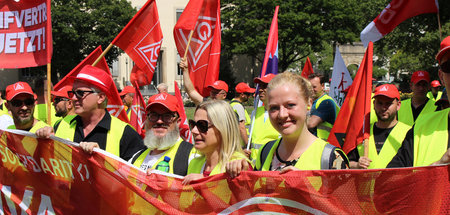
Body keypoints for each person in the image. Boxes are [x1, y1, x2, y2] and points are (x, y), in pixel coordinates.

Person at [227, 72, 348, 177]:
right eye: (274, 108)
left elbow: (346, 203)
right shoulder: (265, 152)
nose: (282, 115)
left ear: (309, 104)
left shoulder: (331, 158)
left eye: (290, 105)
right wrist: (242, 175)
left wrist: (307, 187)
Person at [35, 65, 146, 161]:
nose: (73, 98)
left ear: (101, 97)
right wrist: (43, 143)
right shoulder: (60, 125)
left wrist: (102, 160)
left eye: (80, 93)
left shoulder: (125, 133)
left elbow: (135, 179)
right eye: (72, 93)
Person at [387, 36, 450, 167]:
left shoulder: (434, 106)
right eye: (449, 66)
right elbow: (387, 184)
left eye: (424, 85)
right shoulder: (419, 129)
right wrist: (436, 169)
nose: (421, 88)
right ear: (441, 77)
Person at [182, 100, 251, 184]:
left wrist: (204, 179)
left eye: (202, 125)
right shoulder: (194, 163)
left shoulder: (239, 165)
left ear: (222, 129)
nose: (194, 130)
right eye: (193, 124)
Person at [130, 92, 194, 176]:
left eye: (167, 116)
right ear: (147, 120)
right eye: (153, 115)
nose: (159, 121)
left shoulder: (191, 156)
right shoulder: (136, 157)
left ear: (178, 122)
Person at [348, 84, 410, 169]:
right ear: (373, 104)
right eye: (380, 103)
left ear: (398, 105)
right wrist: (357, 165)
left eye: (388, 103)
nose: (383, 108)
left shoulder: (409, 133)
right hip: (367, 182)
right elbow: (347, 162)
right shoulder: (363, 132)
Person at [248, 73, 280, 159]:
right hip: (254, 166)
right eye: (260, 86)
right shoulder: (256, 112)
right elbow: (251, 139)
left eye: (265, 86)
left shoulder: (282, 114)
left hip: (272, 167)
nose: (260, 90)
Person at [307, 74, 340, 140]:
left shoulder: (327, 102)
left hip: (325, 146)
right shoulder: (311, 102)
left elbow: (311, 123)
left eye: (314, 87)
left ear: (322, 86)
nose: (311, 90)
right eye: (309, 87)